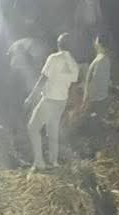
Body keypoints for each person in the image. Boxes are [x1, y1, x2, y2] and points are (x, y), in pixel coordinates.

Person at [25, 33, 79, 171]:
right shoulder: (74, 64)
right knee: (52, 129)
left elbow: (43, 79)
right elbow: (73, 85)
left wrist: (31, 97)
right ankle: (54, 161)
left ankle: (39, 162)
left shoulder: (54, 58)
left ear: (58, 44)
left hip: (49, 99)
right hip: (62, 101)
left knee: (33, 128)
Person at [81, 35, 111, 124]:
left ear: (99, 44)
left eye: (96, 41)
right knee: (94, 122)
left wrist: (87, 99)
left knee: (93, 123)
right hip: (98, 99)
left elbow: (95, 81)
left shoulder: (101, 60)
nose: (94, 43)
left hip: (96, 101)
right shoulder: (102, 58)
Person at [7, 34, 49, 98]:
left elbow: (8, 54)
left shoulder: (21, 43)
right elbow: (36, 61)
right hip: (22, 68)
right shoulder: (35, 45)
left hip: (17, 67)